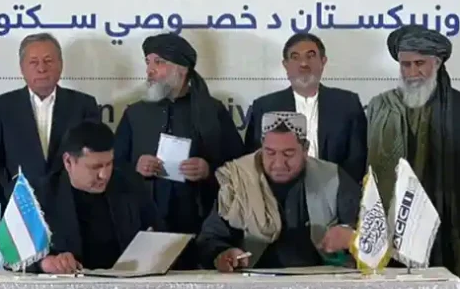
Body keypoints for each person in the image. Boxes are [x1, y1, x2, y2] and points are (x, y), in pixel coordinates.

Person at [114, 33, 244, 269]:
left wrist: (208, 170)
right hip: (144, 228)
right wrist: (136, 166)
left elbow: (240, 168)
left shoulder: (212, 112)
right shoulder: (135, 114)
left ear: (182, 69)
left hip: (201, 228)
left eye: (159, 62)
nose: (150, 70)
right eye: (148, 62)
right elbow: (112, 167)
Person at [197, 111, 361, 272]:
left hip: (322, 281)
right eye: (270, 153)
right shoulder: (239, 178)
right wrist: (223, 254)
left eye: (288, 154)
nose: (279, 164)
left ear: (305, 150)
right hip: (252, 282)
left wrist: (351, 238)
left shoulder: (332, 177)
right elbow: (210, 238)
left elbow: (369, 234)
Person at [367, 24, 460, 275]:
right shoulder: (380, 106)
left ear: (437, 63)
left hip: (448, 223)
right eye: (405, 65)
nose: (412, 72)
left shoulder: (457, 107)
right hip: (394, 224)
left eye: (419, 64)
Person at [0, 32, 100, 215]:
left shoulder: (84, 105)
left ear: (60, 64)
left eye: (48, 61)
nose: (41, 68)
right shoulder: (1, 107)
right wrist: (9, 195)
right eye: (33, 62)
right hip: (19, 212)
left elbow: (95, 157)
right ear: (22, 67)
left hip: (76, 210)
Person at [34, 121, 165, 274]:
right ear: (68, 161)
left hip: (124, 284)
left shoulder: (131, 185)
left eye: (108, 164)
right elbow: (14, 254)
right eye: (95, 167)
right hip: (70, 285)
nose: (103, 175)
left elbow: (160, 233)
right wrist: (45, 263)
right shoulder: (40, 195)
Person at [245, 33, 367, 183]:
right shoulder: (265, 107)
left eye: (310, 56)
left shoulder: (347, 104)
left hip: (335, 188)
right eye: (295, 57)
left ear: (323, 62)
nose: (303, 64)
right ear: (285, 65)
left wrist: (337, 189)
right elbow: (254, 160)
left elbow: (357, 159)